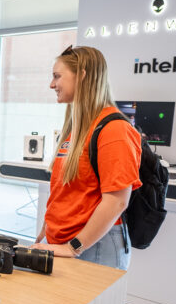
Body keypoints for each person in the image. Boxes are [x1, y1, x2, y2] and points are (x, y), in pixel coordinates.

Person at [30, 45, 142, 270]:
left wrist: (74, 247)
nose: (52, 84)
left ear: (82, 75)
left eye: (57, 76)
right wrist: (49, 224)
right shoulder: (78, 127)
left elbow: (117, 200)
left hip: (92, 247)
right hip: (67, 241)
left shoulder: (114, 129)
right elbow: (68, 187)